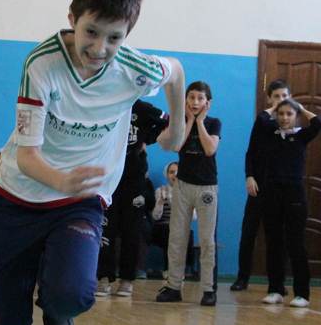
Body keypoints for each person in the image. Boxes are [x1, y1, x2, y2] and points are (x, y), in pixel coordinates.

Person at [0, 0, 185, 325]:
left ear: (127, 34)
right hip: (17, 196)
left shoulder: (133, 67)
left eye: (114, 37)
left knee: (73, 291)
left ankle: (58, 309)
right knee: (0, 323)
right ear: (72, 18)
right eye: (91, 32)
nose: (99, 47)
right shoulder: (42, 64)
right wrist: (62, 179)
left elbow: (175, 70)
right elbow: (28, 157)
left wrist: (175, 128)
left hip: (80, 201)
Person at [251, 99, 321, 307]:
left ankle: (302, 293)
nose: (284, 118)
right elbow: (261, 120)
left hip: (294, 194)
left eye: (289, 114)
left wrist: (301, 108)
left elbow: (318, 123)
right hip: (272, 193)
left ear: (296, 116)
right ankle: (275, 289)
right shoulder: (270, 133)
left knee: (296, 243)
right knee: (274, 242)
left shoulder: (302, 135)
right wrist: (274, 107)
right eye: (281, 114)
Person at [157, 81, 220, 306]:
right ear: (185, 100)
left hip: (206, 187)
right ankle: (174, 286)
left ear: (207, 103)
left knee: (207, 240)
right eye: (191, 97)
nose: (195, 102)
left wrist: (200, 122)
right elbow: (177, 146)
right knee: (177, 237)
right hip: (183, 186)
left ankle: (208, 289)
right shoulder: (180, 122)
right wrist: (190, 121)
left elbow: (210, 149)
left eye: (200, 98)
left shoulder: (214, 123)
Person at [97, 99, 168, 297]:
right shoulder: (106, 103)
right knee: (106, 228)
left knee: (132, 229)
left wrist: (147, 138)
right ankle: (103, 277)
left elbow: (168, 121)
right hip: (108, 174)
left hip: (134, 176)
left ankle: (127, 279)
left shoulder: (143, 108)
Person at [234, 80, 293, 294]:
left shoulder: (290, 122)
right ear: (269, 98)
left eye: (284, 96)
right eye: (276, 96)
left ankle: (277, 283)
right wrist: (249, 176)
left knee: (277, 237)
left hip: (279, 189)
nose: (281, 100)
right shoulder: (262, 120)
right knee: (248, 233)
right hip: (258, 186)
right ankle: (242, 278)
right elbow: (251, 152)